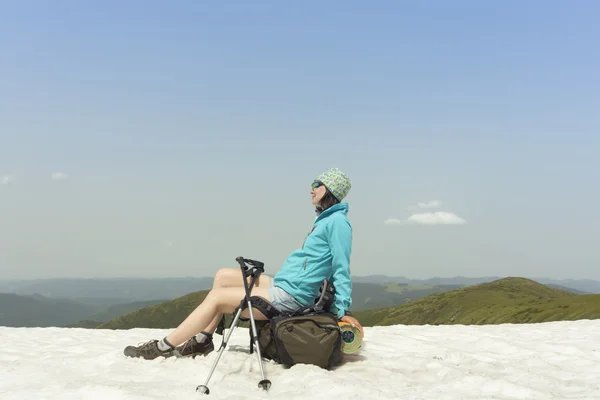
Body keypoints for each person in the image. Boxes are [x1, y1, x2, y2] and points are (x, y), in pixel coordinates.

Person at [123, 167, 363, 360]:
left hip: (291, 296)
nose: (310, 189)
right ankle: (202, 341)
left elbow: (341, 268)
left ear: (329, 189)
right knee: (223, 277)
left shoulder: (338, 224)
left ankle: (163, 347)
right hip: (285, 283)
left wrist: (343, 309)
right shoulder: (325, 220)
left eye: (316, 185)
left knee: (217, 298)